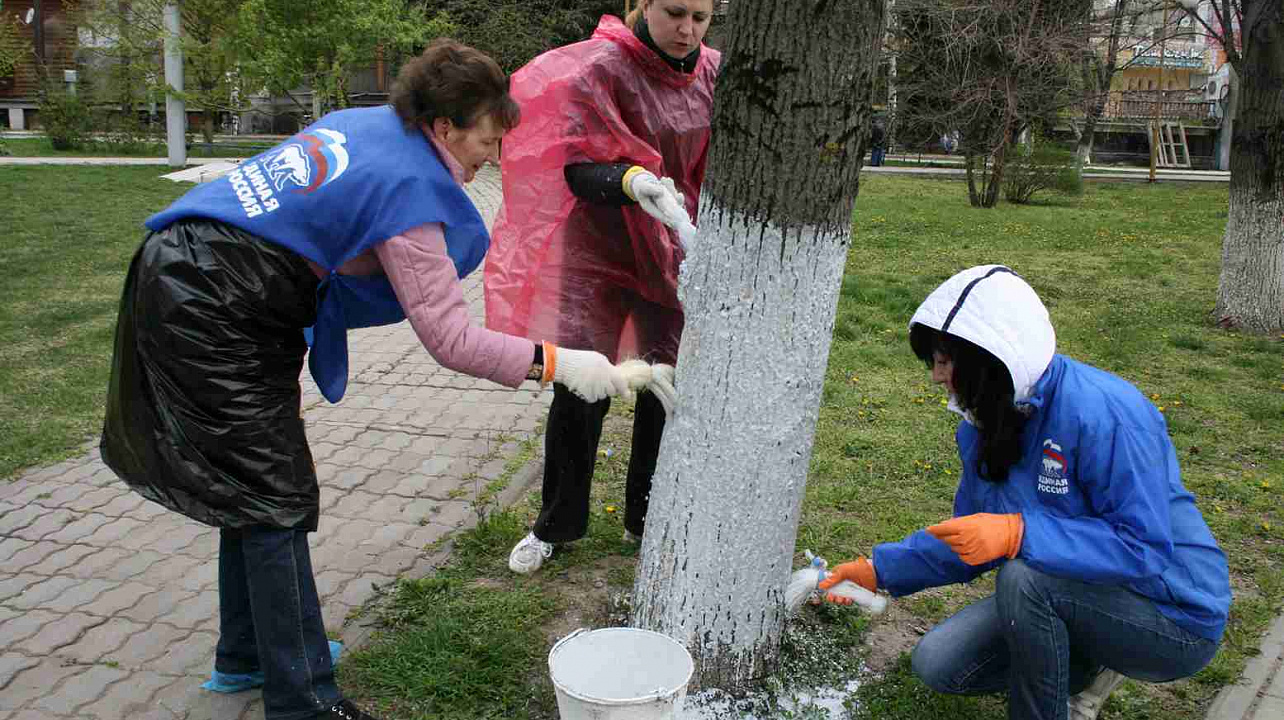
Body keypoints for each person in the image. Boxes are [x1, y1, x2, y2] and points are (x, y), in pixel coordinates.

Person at [99, 39, 667, 720]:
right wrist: (564, 362)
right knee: (273, 494)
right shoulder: (409, 190)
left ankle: (249, 653)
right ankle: (302, 700)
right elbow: (451, 341)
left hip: (202, 272)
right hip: (215, 299)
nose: (493, 154)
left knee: (252, 486)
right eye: (487, 138)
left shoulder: (367, 123)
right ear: (444, 127)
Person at [819, 265, 1231, 720]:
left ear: (992, 360)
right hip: (1076, 590)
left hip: (1172, 613)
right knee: (939, 663)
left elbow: (1144, 548)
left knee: (1024, 580)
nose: (937, 376)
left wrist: (1019, 534)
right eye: (934, 361)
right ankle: (1079, 663)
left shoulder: (1107, 414)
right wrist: (879, 570)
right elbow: (970, 537)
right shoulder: (984, 424)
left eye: (945, 361)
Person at [483, 0, 720, 574]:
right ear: (640, 4)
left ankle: (648, 519)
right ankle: (556, 524)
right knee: (581, 388)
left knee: (664, 385)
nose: (687, 30)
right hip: (599, 251)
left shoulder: (714, 73)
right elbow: (564, 164)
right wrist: (628, 179)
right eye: (673, 12)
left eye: (701, 16)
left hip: (672, 247)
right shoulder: (598, 69)